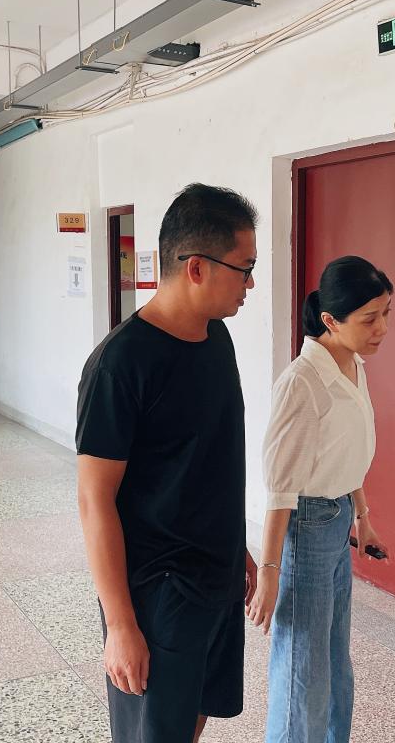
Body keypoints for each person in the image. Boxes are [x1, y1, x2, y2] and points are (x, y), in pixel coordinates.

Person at [76, 183, 260, 743]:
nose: (251, 283)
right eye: (245, 268)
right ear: (197, 267)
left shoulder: (217, 339)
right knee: (154, 733)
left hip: (216, 577)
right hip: (159, 591)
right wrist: (120, 625)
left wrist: (237, 548)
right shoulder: (120, 364)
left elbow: (206, 462)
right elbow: (94, 500)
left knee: (196, 713)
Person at [247, 255, 393, 743]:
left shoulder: (353, 364)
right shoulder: (302, 382)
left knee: (332, 661)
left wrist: (363, 517)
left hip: (336, 517)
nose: (382, 328)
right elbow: (280, 487)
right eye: (369, 318)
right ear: (330, 320)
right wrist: (269, 571)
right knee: (302, 669)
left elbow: (346, 454)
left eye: (385, 313)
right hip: (306, 525)